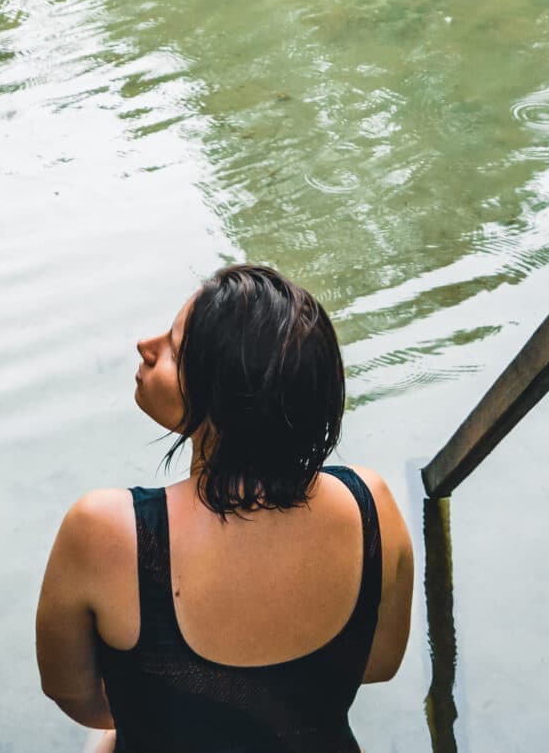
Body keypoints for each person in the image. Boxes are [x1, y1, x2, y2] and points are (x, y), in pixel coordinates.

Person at [35, 263, 416, 751]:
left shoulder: (106, 532)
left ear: (222, 400)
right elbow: (378, 664)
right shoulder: (372, 507)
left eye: (172, 348)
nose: (145, 346)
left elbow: (75, 696)